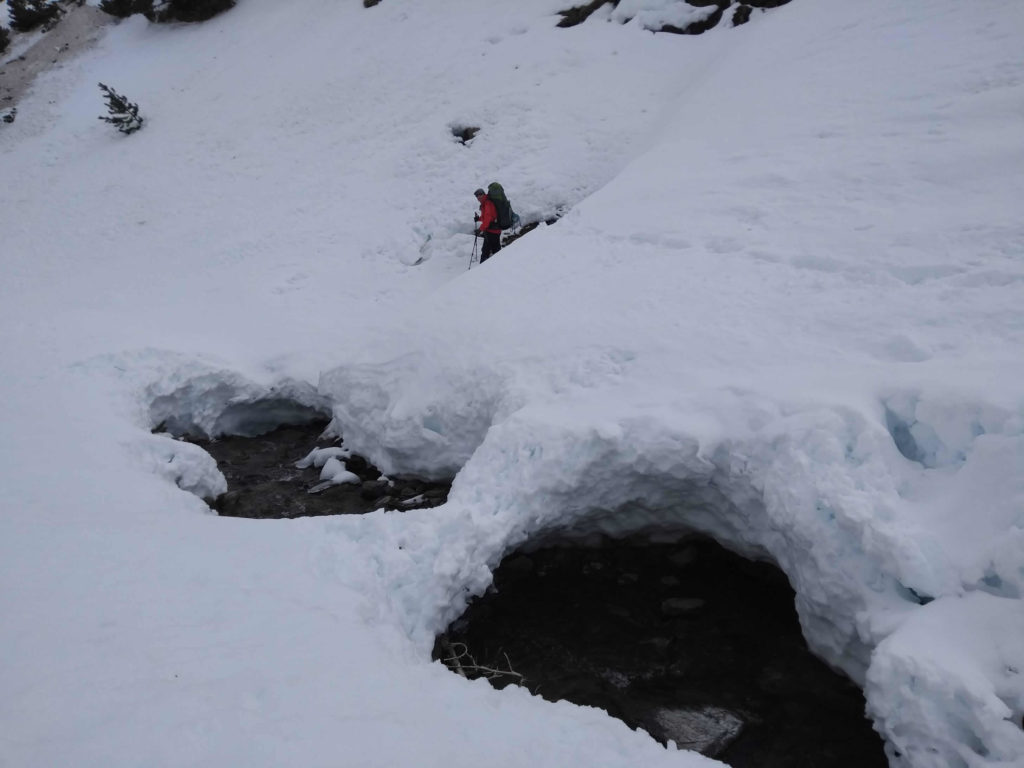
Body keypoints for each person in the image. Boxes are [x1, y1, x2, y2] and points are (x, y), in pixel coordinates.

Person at [474, 188, 502, 264]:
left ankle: (481, 271)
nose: (478, 198)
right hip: (492, 231)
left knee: (486, 252)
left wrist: (480, 229)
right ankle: (499, 266)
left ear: (483, 194)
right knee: (495, 251)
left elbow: (488, 218)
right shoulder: (485, 204)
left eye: (480, 195)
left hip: (492, 232)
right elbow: (486, 217)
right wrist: (478, 218)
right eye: (477, 197)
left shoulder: (487, 203)